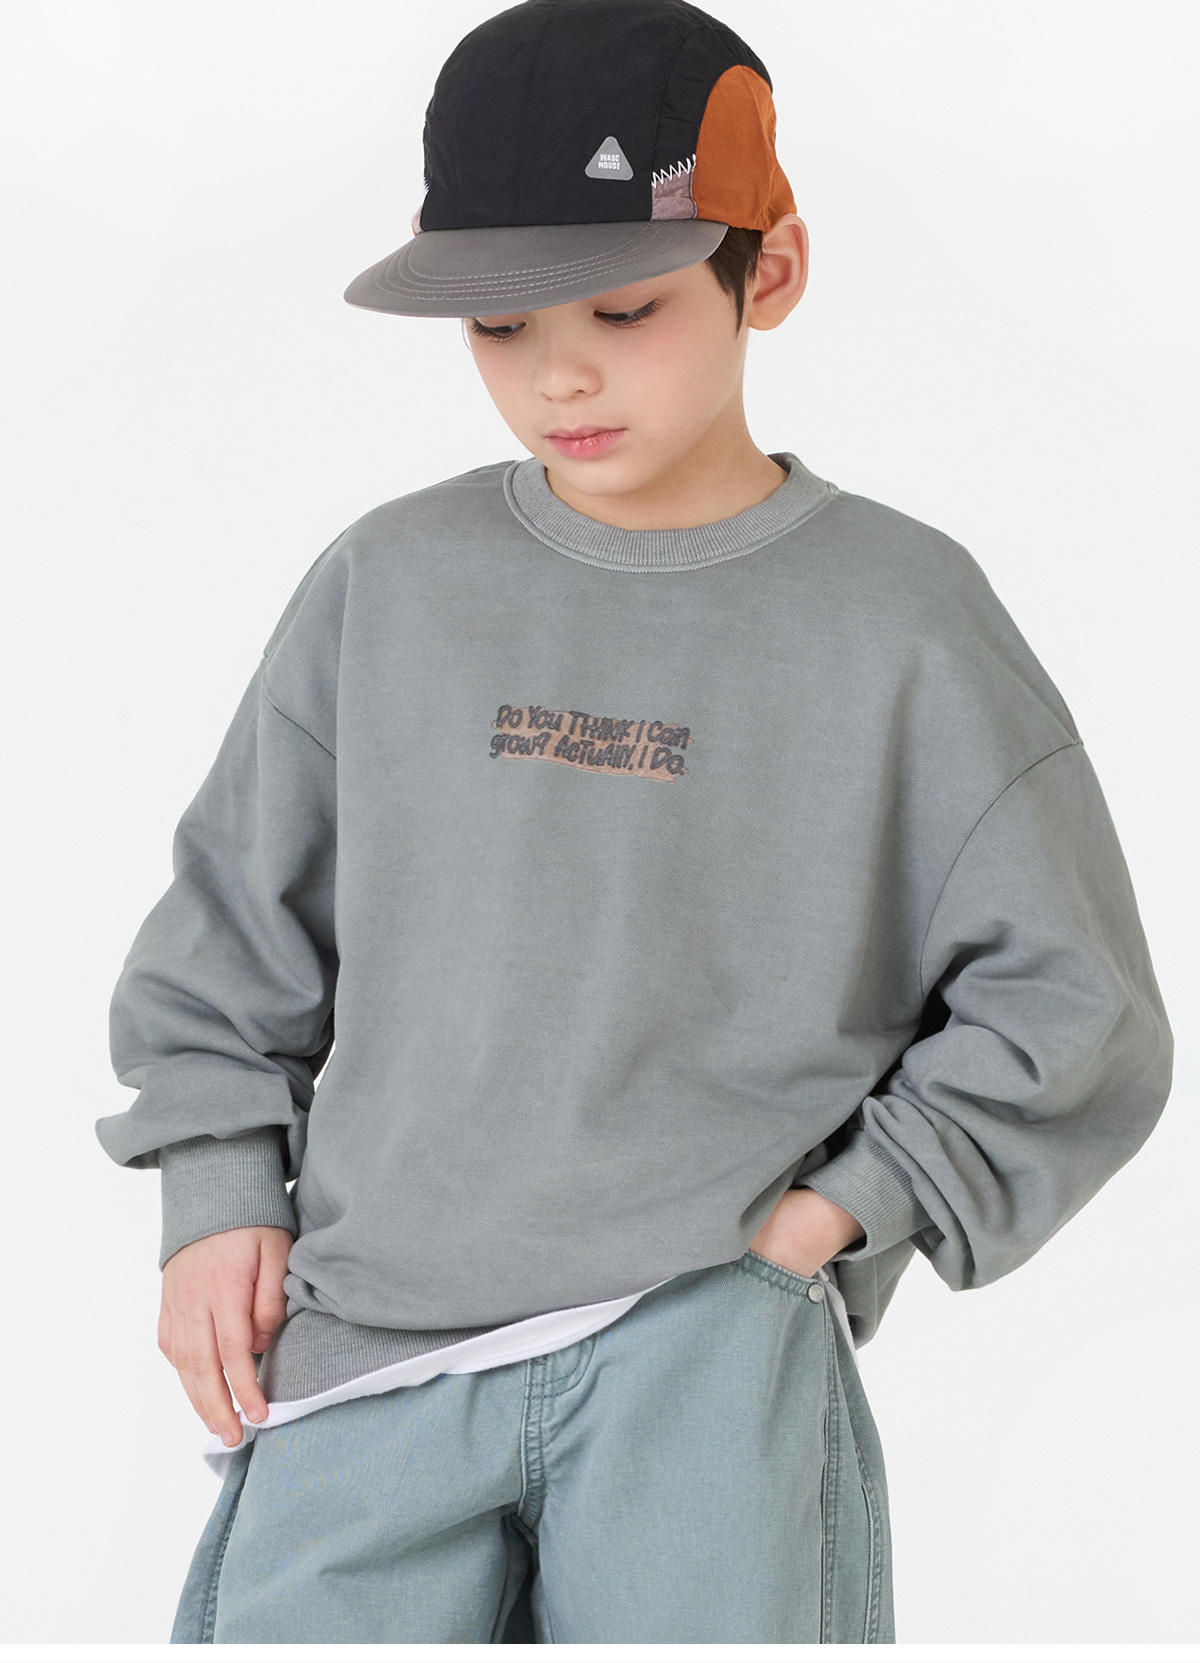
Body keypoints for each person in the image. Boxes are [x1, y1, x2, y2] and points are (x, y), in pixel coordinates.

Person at [95, 0, 1174, 1645]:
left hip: (707, 1348)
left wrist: (822, 1227)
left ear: (771, 270)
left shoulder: (903, 619)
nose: (561, 374)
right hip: (370, 1359)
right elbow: (230, 938)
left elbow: (1074, 1006)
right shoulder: (392, 584)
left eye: (624, 305)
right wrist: (218, 1191)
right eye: (499, 325)